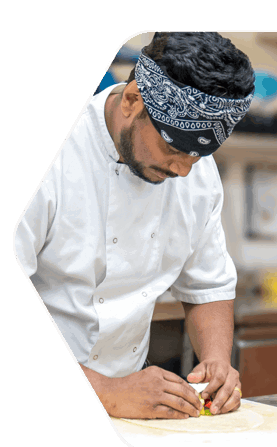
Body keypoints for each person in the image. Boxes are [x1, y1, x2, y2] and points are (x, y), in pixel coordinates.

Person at [13, 31, 255, 420]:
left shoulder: (196, 172)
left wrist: (216, 363)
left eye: (197, 156)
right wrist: (105, 391)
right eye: (173, 149)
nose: (182, 170)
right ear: (132, 100)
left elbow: (208, 285)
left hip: (130, 406)